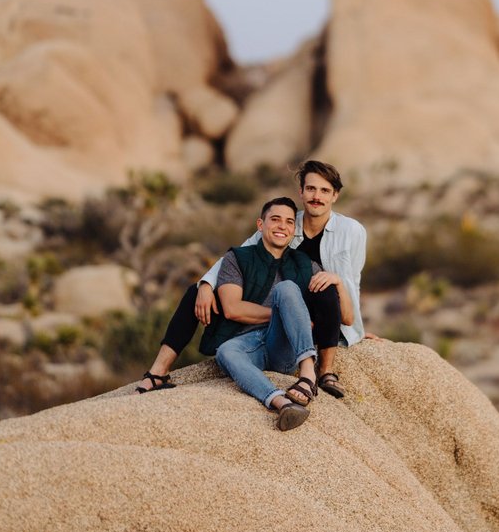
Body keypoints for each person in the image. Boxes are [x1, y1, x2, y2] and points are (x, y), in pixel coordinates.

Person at [136, 160, 366, 396]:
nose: (317, 196)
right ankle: (158, 372)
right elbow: (240, 254)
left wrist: (356, 330)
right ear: (301, 191)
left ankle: (325, 371)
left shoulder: (351, 231)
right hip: (281, 309)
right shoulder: (286, 221)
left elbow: (351, 282)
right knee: (195, 292)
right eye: (311, 189)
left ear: (335, 195)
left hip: (318, 314)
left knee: (324, 288)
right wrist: (205, 284)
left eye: (325, 190)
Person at [202, 196, 352, 430]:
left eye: (289, 222)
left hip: (285, 345)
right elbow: (232, 309)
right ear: (260, 224)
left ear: (294, 229)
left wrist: (338, 283)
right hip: (250, 343)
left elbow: (347, 318)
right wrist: (288, 313)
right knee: (225, 352)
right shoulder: (237, 258)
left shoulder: (306, 264)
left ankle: (307, 375)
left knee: (287, 288)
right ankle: (282, 403)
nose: (282, 226)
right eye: (275, 219)